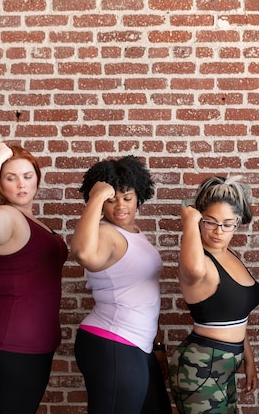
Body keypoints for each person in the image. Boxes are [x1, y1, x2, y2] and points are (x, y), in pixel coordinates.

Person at [0, 141, 68, 414]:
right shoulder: (6, 215)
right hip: (10, 343)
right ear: (0, 186)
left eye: (27, 176)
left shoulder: (34, 221)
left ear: (37, 179)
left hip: (27, 342)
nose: (21, 184)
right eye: (10, 178)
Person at [71, 156, 171, 414]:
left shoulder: (135, 233)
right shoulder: (105, 234)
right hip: (113, 342)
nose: (120, 206)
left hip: (138, 345)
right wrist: (96, 196)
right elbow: (83, 253)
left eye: (127, 198)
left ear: (139, 196)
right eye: (111, 199)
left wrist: (158, 345)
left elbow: (146, 294)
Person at [169, 176, 259, 414]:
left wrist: (248, 359)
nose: (218, 231)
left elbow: (237, 314)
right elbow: (193, 270)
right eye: (210, 222)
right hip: (200, 366)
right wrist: (189, 222)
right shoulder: (198, 260)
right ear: (200, 219)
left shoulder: (228, 254)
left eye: (227, 223)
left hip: (228, 364)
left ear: (237, 223)